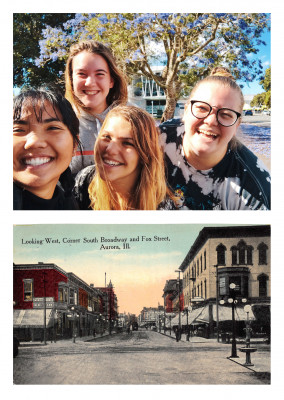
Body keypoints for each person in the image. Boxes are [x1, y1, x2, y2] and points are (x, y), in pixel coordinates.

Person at [159, 67, 271, 210]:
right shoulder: (157, 139)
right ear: (186, 111)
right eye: (202, 108)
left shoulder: (255, 191)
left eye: (225, 114)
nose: (211, 121)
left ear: (237, 125)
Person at [73, 105, 176, 210]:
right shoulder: (83, 181)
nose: (110, 149)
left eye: (127, 143)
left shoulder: (162, 208)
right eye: (106, 137)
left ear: (145, 154)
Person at [65, 40, 128, 175]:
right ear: (71, 79)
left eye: (100, 74)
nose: (90, 82)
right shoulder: (59, 124)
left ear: (111, 81)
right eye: (82, 74)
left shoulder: (132, 122)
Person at [13, 87, 80, 210]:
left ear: (74, 145)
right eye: (18, 130)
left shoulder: (70, 206)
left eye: (53, 128)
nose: (34, 142)